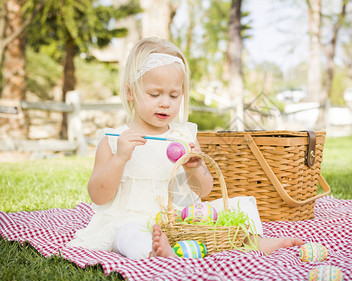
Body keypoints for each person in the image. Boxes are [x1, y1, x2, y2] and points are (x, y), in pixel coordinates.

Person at [68, 37, 303, 259]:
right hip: (136, 220)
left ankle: (254, 241)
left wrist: (195, 168)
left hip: (185, 219)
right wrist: (119, 159)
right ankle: (154, 250)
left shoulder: (183, 136)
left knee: (241, 204)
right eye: (154, 94)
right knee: (126, 235)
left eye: (174, 95)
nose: (165, 102)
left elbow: (204, 191)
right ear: (130, 92)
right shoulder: (114, 139)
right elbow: (98, 196)